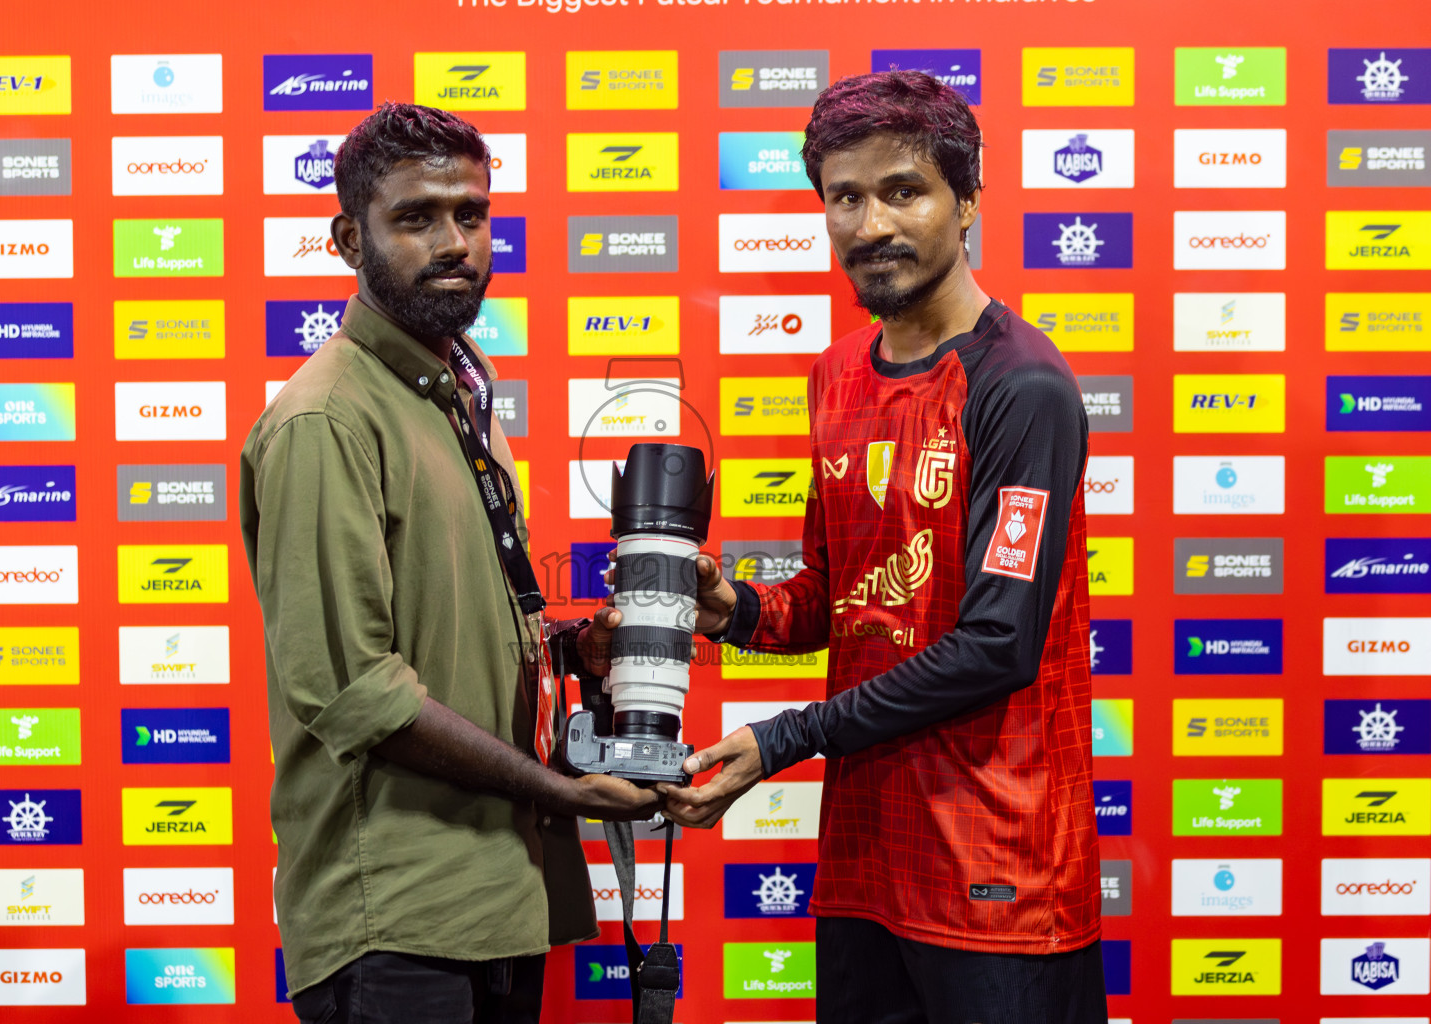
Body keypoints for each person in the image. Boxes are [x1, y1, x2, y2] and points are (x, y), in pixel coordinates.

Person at [655, 70, 1106, 1023]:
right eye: (844, 198)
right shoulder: (835, 376)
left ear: (969, 199)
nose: (869, 225)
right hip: (867, 865)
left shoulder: (1024, 387)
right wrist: (731, 608)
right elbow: (838, 599)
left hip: (1001, 877)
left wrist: (783, 739)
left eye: (903, 190)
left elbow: (998, 644)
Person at [239, 102, 661, 1024]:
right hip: (394, 919)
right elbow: (356, 689)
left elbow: (445, 626)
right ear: (349, 236)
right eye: (416, 217)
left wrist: (566, 647)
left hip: (499, 898)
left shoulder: (456, 393)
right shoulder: (326, 420)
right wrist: (555, 788)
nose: (454, 241)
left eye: (470, 215)